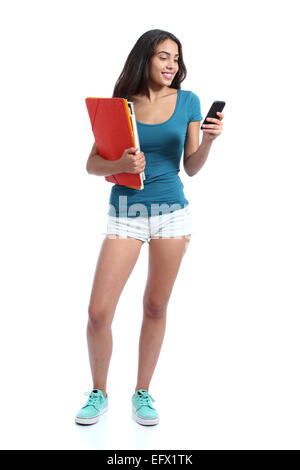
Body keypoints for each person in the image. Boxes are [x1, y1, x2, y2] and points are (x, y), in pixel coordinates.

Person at [75, 29, 224, 426]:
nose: (171, 64)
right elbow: (92, 164)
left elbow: (190, 167)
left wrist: (208, 141)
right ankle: (98, 392)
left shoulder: (189, 101)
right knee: (98, 312)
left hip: (172, 212)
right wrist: (120, 166)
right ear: (145, 59)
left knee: (155, 306)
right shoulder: (120, 103)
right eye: (162, 56)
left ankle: (142, 392)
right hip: (125, 213)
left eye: (175, 57)